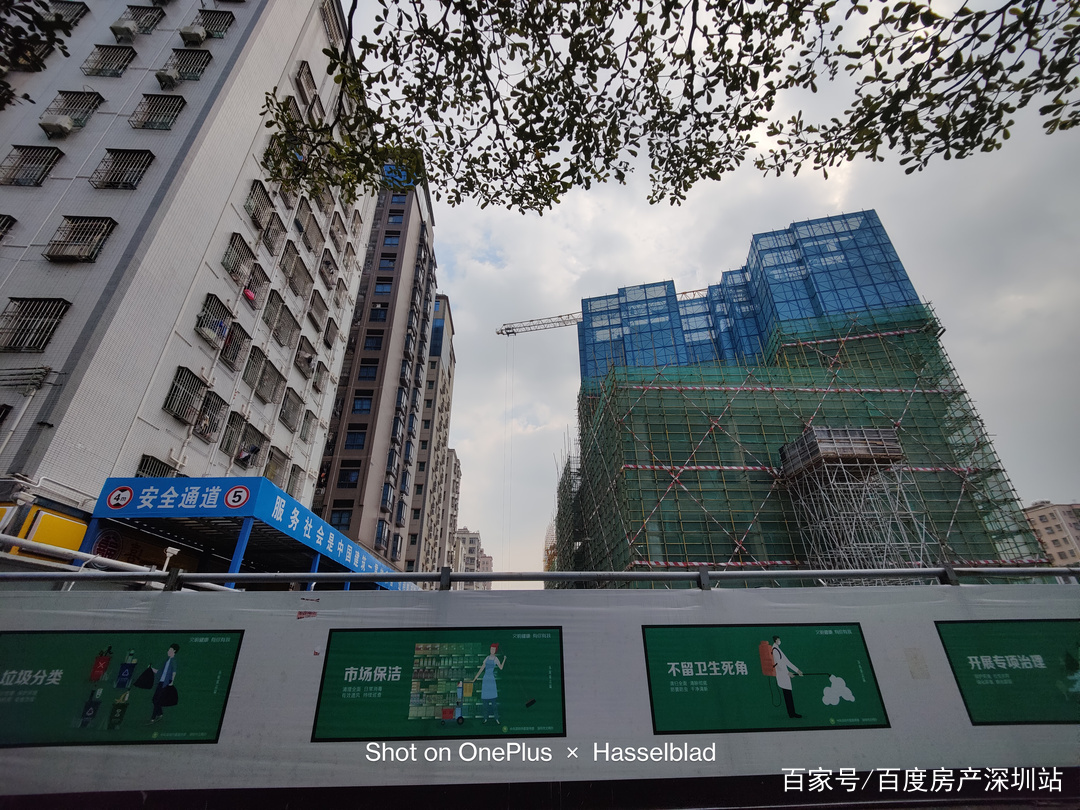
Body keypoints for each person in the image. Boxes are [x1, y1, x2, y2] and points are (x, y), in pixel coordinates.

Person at [471, 643, 505, 724]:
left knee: (494, 703)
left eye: (493, 649)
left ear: (495, 650)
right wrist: (474, 678)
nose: (492, 650)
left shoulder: (496, 659)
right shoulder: (487, 658)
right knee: (485, 702)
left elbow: (501, 667)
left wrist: (504, 659)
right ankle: (485, 718)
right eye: (491, 649)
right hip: (485, 680)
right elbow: (481, 669)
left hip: (491, 680)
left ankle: (496, 718)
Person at [771, 636, 803, 719]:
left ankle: (792, 713)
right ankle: (791, 713)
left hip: (784, 675)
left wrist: (797, 670)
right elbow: (779, 664)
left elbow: (786, 661)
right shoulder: (774, 650)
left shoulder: (777, 649)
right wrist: (788, 672)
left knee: (788, 694)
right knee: (787, 694)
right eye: (778, 640)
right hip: (782, 675)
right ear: (775, 640)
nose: (779, 641)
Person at [150, 643, 179, 723]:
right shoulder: (167, 661)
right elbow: (161, 672)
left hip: (165, 684)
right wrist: (152, 669)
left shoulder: (173, 661)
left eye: (170, 650)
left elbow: (174, 672)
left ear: (174, 651)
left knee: (157, 700)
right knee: (155, 699)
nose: (168, 651)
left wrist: (172, 681)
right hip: (161, 682)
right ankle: (160, 713)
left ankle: (153, 718)